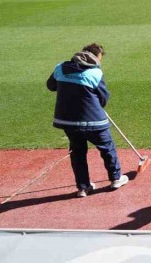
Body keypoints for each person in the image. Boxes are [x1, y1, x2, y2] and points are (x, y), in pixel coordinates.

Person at [46, 43, 128, 198]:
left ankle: (83, 187)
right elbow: (103, 98)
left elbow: (51, 86)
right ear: (95, 57)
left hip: (68, 120)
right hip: (93, 120)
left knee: (77, 152)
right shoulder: (95, 73)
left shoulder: (60, 68)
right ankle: (115, 178)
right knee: (107, 147)